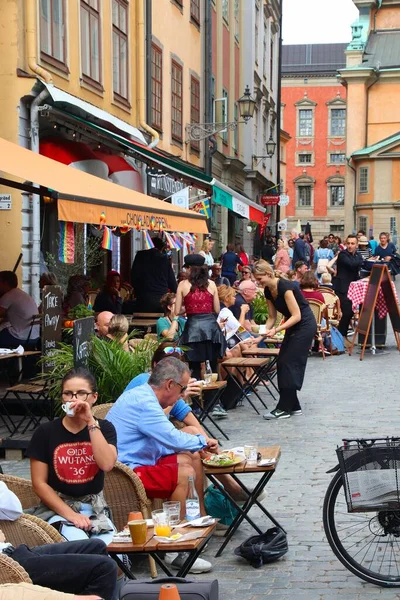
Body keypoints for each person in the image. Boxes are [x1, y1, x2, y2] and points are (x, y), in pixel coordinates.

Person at [106, 357, 215, 573]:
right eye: (182, 389)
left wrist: (195, 444)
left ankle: (188, 524)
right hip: (125, 472)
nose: (182, 395)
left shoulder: (144, 396)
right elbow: (171, 438)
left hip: (139, 460)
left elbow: (160, 442)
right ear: (169, 385)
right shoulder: (145, 403)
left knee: (186, 459)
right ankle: (174, 549)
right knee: (184, 472)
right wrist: (203, 441)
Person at [26, 368, 117, 543]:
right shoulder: (45, 432)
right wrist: (72, 516)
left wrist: (90, 421)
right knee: (83, 549)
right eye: (68, 394)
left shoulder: (104, 428)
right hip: (58, 510)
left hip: (95, 508)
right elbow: (39, 483)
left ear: (94, 397)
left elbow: (107, 464)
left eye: (81, 393)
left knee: (117, 558)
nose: (74, 399)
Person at [0, 480, 116, 600]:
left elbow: (14, 510)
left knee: (96, 546)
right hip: (6, 564)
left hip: (14, 553)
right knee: (104, 567)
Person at [254, 260, 317, 420]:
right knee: (283, 361)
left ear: (268, 274)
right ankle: (293, 406)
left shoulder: (286, 287)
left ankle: (284, 407)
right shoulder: (269, 290)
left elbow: (297, 315)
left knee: (289, 362)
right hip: (293, 324)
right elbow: (271, 317)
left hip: (304, 324)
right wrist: (259, 337)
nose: (258, 283)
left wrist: (276, 330)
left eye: (259, 279)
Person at [175, 254, 225, 381]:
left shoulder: (182, 284)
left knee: (195, 367)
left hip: (192, 330)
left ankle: (197, 400)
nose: (185, 271)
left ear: (190, 268)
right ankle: (214, 399)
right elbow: (217, 309)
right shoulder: (212, 284)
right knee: (214, 366)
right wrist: (202, 306)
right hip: (211, 329)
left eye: (186, 268)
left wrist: (191, 307)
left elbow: (176, 311)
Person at [131, 237, 177, 313]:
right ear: (162, 248)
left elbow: (133, 279)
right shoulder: (164, 260)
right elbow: (173, 284)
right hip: (161, 302)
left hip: (143, 301)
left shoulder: (140, 256)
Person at [333, 234, 363, 344]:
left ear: (357, 245)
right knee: (346, 312)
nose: (350, 246)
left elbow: (359, 265)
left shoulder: (357, 255)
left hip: (352, 288)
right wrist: (362, 261)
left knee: (350, 312)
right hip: (342, 288)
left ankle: (342, 335)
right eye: (348, 243)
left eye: (352, 243)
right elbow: (353, 264)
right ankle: (341, 337)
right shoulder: (343, 255)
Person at [0, 271, 40, 348]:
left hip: (20, 337)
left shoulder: (9, 295)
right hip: (34, 337)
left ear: (5, 283)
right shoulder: (21, 294)